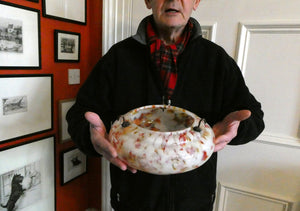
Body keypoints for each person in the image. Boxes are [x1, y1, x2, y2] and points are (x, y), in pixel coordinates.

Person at [66, 0, 265, 210]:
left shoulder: (216, 60)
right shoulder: (118, 58)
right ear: (148, 1)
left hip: (195, 203)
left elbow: (254, 118)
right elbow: (79, 116)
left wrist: (237, 128)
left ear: (196, 2)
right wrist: (92, 137)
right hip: (132, 202)